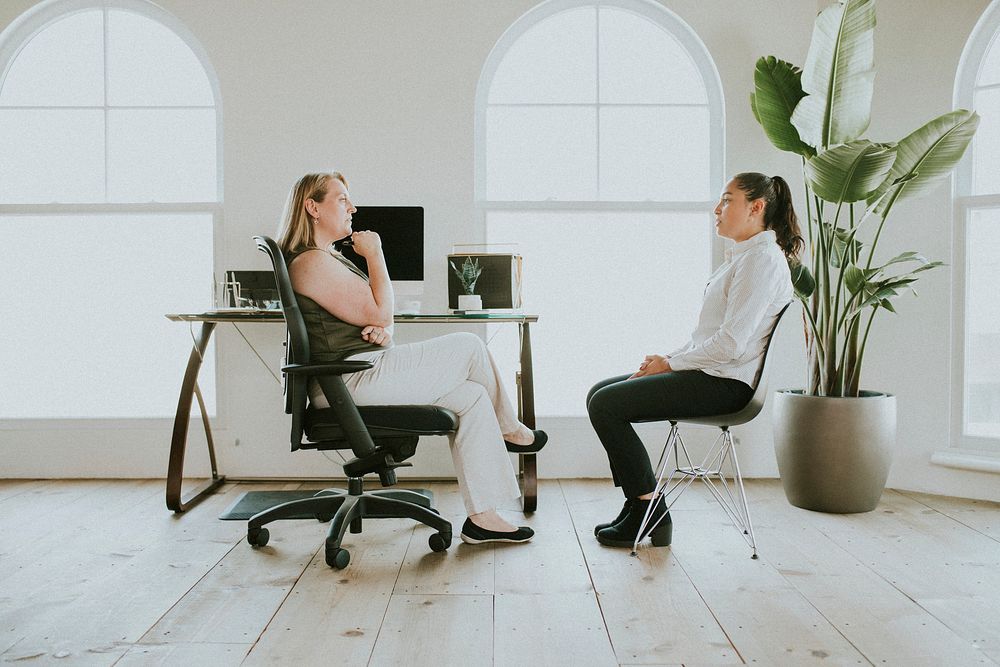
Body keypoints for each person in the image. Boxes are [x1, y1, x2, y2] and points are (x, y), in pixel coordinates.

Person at [276, 172, 547, 545]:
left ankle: (483, 518)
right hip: (347, 382)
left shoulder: (327, 259)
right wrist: (375, 255)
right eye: (342, 200)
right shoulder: (311, 262)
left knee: (470, 395)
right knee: (469, 345)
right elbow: (381, 311)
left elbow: (378, 320)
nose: (353, 208)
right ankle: (510, 429)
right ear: (313, 207)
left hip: (359, 373)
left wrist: (382, 331)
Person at [586, 172, 802, 548]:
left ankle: (647, 509)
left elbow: (730, 345)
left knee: (607, 404)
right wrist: (667, 357)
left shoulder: (760, 261)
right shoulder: (746, 257)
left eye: (726, 200)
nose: (716, 210)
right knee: (600, 392)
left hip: (726, 385)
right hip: (711, 373)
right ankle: (640, 504)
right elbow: (710, 337)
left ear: (756, 207)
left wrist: (669, 365)